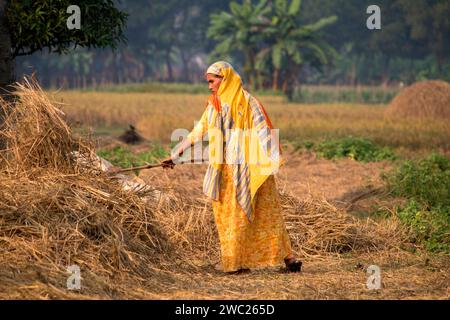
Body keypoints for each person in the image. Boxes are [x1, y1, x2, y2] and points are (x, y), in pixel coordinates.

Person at [161, 61, 301, 274]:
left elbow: (201, 130)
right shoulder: (239, 101)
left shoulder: (231, 104)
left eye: (212, 81)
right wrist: (176, 154)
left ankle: (236, 263)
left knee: (233, 216)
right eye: (208, 82)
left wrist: (177, 153)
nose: (209, 86)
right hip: (252, 170)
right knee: (268, 214)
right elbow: (262, 133)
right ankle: (288, 259)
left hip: (236, 170)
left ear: (224, 78)